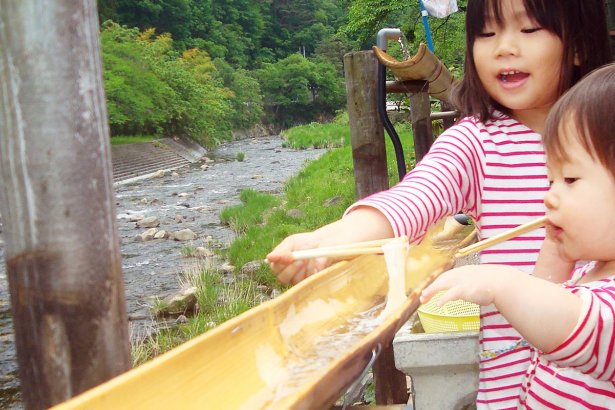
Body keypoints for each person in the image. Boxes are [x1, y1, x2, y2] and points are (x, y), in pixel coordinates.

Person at [267, 0, 612, 407]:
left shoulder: (606, 130)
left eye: (529, 29)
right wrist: (332, 241)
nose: (503, 47)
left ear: (577, 45)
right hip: (512, 387)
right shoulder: (478, 142)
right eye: (486, 33)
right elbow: (416, 196)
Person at [421, 63, 615, 407]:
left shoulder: (594, 307)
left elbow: (575, 326)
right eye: (551, 179)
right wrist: (557, 251)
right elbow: (546, 298)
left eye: (569, 180)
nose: (549, 196)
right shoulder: (592, 272)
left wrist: (503, 282)